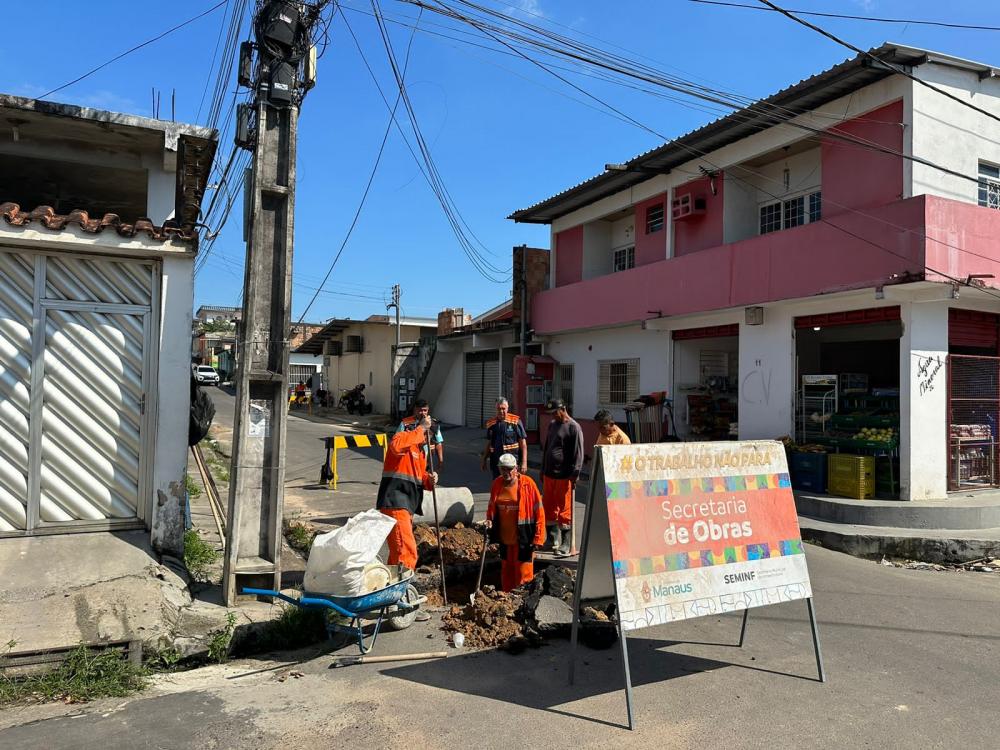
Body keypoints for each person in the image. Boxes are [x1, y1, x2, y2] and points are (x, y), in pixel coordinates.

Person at [375, 414, 439, 572]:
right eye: (428, 436)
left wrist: (429, 480)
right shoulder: (403, 438)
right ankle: (402, 592)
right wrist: (421, 428)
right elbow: (396, 448)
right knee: (407, 553)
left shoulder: (420, 453)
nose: (429, 443)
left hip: (407, 505)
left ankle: (390, 588)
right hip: (396, 501)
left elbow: (418, 476)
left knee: (397, 554)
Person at [484, 453, 545, 591]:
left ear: (516, 468)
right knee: (507, 573)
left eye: (509, 469)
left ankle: (522, 604)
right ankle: (506, 601)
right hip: (505, 540)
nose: (506, 472)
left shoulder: (528, 484)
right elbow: (491, 507)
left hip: (524, 539)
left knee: (524, 575)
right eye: (503, 469)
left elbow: (540, 512)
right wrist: (489, 521)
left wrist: (538, 538)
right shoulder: (497, 484)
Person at [541, 398, 584, 557]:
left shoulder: (574, 427)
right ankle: (552, 540)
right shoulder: (552, 425)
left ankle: (566, 543)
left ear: (563, 409)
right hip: (549, 474)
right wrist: (542, 469)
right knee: (549, 507)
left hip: (564, 476)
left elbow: (578, 453)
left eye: (555, 412)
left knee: (564, 511)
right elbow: (547, 448)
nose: (553, 415)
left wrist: (575, 474)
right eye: (551, 413)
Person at [480, 397, 528, 478]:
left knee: (512, 485)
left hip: (512, 463)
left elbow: (523, 444)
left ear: (507, 408)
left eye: (503, 408)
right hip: (497, 462)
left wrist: (524, 462)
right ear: (496, 409)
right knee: (498, 485)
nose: (501, 411)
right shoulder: (491, 424)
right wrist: (484, 459)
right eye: (499, 409)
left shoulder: (515, 421)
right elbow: (489, 443)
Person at [397, 399, 444, 468]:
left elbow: (438, 442)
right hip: (409, 459)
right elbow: (397, 441)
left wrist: (440, 460)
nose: (423, 413)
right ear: (415, 410)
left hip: (425, 461)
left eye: (425, 410)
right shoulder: (405, 423)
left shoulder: (433, 424)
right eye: (420, 410)